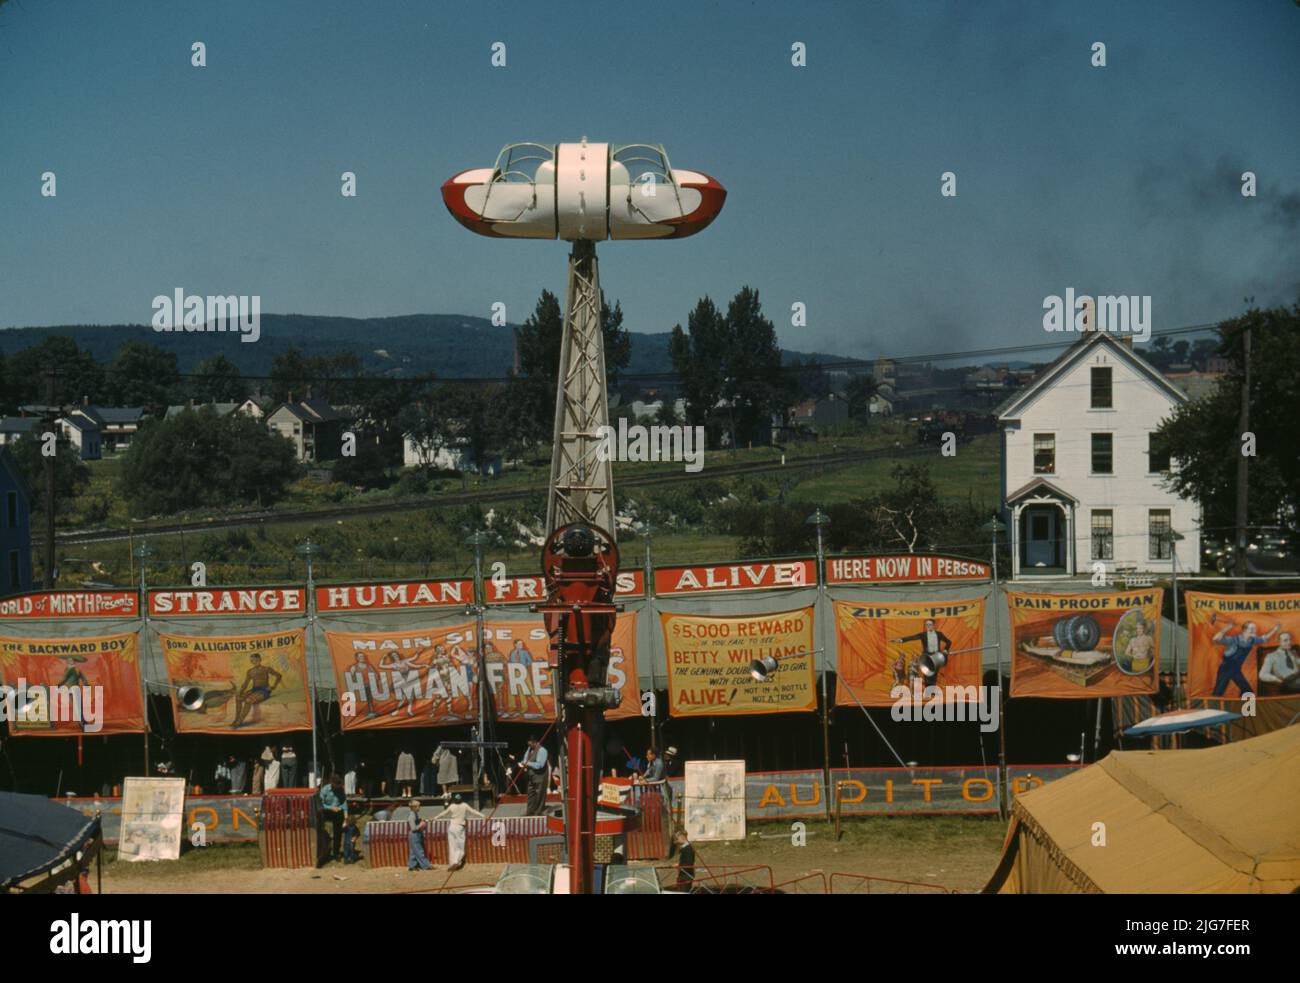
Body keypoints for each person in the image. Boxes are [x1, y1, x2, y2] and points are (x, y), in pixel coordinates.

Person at [1211, 619, 1280, 697]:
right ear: (1244, 630)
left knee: (1248, 692)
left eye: (1255, 628)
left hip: (1236, 670)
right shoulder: (1233, 640)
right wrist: (1227, 627)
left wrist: (1275, 629)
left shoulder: (1252, 640)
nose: (1254, 630)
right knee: (1218, 693)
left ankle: (1242, 708)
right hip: (1225, 669)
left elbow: (1264, 638)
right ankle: (1211, 709)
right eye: (1252, 628)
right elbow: (1215, 639)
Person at [431, 793, 485, 871]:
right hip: (459, 827)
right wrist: (483, 816)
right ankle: (456, 861)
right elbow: (473, 811)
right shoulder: (464, 805)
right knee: (460, 845)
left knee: (452, 846)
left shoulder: (452, 806)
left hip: (452, 827)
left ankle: (452, 863)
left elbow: (444, 813)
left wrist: (435, 818)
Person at [890, 619, 951, 688]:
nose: (928, 626)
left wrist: (946, 649)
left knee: (934, 674)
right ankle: (928, 688)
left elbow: (949, 642)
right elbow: (912, 637)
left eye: (930, 624)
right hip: (927, 657)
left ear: (934, 625)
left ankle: (931, 690)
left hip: (936, 657)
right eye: (927, 625)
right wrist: (901, 640)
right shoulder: (923, 635)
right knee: (927, 674)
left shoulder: (939, 634)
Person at [233, 653, 282, 728]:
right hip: (254, 690)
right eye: (252, 660)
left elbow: (279, 675)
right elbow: (245, 684)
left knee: (248, 700)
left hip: (264, 690)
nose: (253, 661)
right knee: (238, 698)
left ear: (259, 659)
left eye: (255, 660)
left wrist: (273, 686)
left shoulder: (266, 669)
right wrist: (240, 692)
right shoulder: (250, 671)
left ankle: (240, 721)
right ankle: (236, 719)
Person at [319, 773, 348, 863]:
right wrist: (331, 808)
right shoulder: (325, 790)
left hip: (337, 811)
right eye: (336, 785)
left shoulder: (341, 789)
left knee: (338, 831)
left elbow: (343, 802)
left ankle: (336, 852)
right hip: (326, 810)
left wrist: (346, 814)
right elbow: (320, 804)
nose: (338, 787)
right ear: (332, 783)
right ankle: (322, 851)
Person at [521, 735, 549, 816]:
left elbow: (540, 765)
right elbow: (525, 758)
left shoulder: (542, 750)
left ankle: (538, 812)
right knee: (531, 793)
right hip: (531, 776)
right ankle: (529, 811)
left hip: (540, 776)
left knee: (539, 793)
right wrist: (524, 762)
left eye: (530, 744)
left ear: (535, 742)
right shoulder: (529, 749)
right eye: (528, 745)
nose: (529, 746)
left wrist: (527, 763)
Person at [406, 798, 433, 871]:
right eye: (418, 806)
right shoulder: (412, 816)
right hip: (414, 834)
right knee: (419, 850)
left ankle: (412, 866)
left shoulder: (415, 814)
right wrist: (421, 824)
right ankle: (426, 866)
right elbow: (413, 828)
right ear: (414, 807)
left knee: (413, 851)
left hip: (416, 834)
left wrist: (420, 820)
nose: (420, 807)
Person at [670, 826, 697, 891]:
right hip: (684, 874)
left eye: (677, 839)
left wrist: (679, 865)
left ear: (682, 837)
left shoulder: (688, 849)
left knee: (683, 890)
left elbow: (688, 863)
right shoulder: (685, 848)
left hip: (686, 875)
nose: (676, 841)